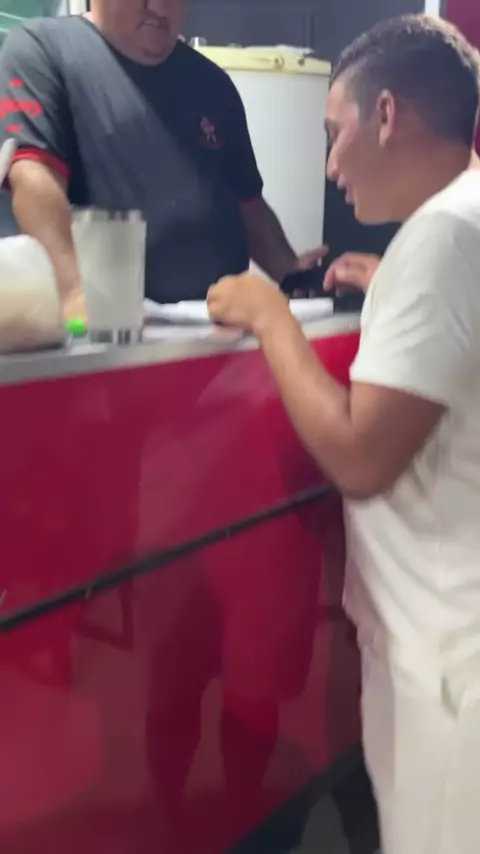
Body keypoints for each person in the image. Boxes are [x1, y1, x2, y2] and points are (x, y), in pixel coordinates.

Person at [207, 14, 480, 854]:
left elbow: (362, 457)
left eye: (334, 132)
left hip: (448, 664)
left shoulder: (443, 239)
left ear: (386, 114)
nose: (329, 165)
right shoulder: (460, 225)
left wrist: (269, 315)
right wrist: (396, 281)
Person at [0, 0, 323, 319]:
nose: (158, 7)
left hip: (221, 325)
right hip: (114, 329)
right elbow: (32, 178)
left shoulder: (212, 82)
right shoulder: (41, 49)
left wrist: (293, 274)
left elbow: (249, 206)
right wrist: (75, 294)